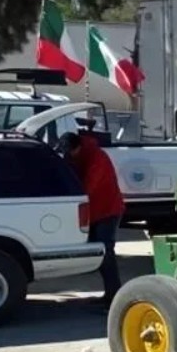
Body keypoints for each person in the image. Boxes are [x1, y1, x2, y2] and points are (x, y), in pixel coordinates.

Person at [59, 131, 125, 307]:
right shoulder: (79, 156)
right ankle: (110, 294)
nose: (68, 156)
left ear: (78, 147)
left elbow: (87, 188)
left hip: (108, 211)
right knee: (100, 254)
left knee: (106, 253)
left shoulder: (97, 158)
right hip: (95, 211)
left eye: (70, 152)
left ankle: (115, 297)